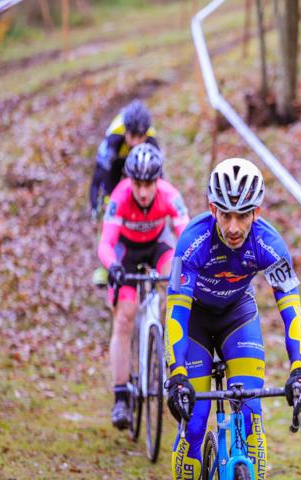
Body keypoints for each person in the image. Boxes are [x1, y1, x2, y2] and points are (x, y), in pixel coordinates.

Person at [163, 157, 301, 479]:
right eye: (225, 214)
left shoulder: (269, 245)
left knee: (252, 419)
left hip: (238, 317)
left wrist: (300, 369)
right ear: (212, 208)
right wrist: (177, 374)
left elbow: (293, 311)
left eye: (242, 215)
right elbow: (176, 313)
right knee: (194, 423)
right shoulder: (193, 242)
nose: (233, 227)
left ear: (256, 212)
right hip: (195, 324)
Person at [97, 142, 190, 429]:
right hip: (126, 253)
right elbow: (106, 243)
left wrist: (186, 267)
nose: (143, 191)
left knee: (177, 283)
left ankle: (167, 353)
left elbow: (186, 236)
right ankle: (121, 395)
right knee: (124, 317)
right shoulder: (120, 196)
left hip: (157, 247)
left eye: (149, 183)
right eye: (137, 183)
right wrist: (112, 266)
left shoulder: (170, 195)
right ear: (130, 181)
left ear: (157, 180)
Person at [90, 99, 159, 286]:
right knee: (107, 210)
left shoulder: (151, 140)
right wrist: (99, 203)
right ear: (126, 131)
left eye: (140, 137)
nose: (137, 142)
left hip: (139, 167)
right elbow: (100, 175)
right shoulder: (114, 137)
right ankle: (104, 266)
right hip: (115, 168)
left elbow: (159, 177)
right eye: (133, 136)